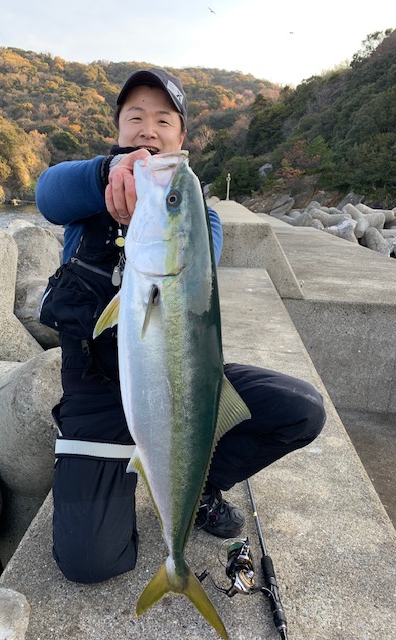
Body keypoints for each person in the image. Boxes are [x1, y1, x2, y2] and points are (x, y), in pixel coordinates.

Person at [36, 68, 326, 584]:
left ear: (181, 137)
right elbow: (47, 193)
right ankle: (130, 485)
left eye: (163, 119)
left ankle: (199, 482)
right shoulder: (83, 198)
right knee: (89, 564)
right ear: (119, 131)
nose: (149, 128)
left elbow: (194, 265)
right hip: (97, 394)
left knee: (300, 409)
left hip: (177, 377)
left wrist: (163, 209)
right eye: (135, 117)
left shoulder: (195, 213)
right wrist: (109, 174)